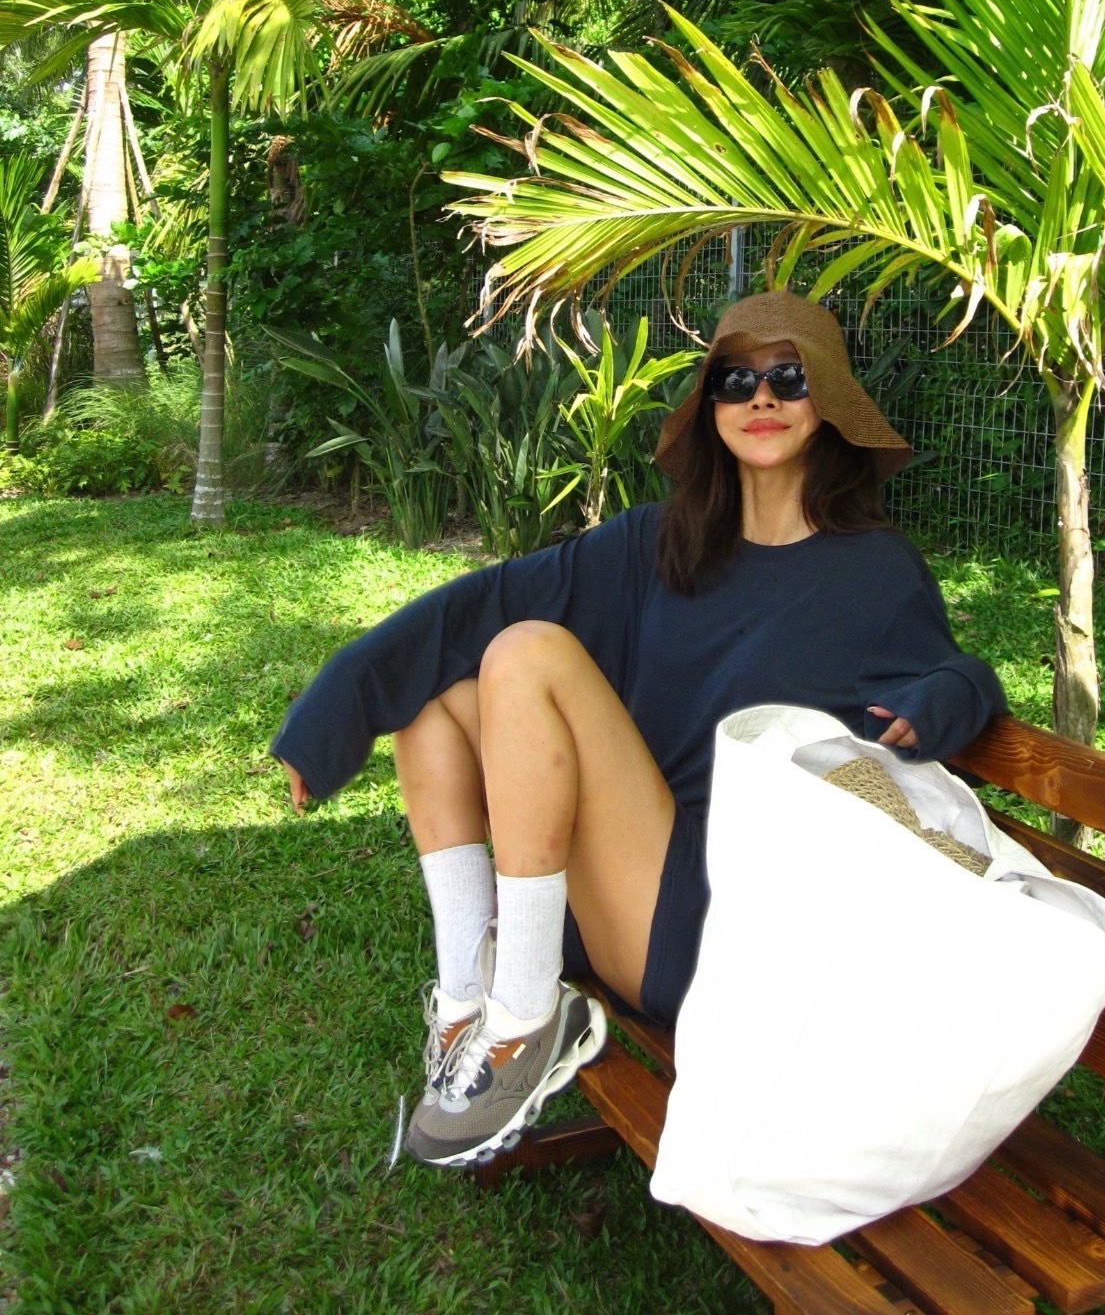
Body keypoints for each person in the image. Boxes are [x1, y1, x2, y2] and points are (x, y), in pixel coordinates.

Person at [270, 291, 1006, 1170]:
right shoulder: (661, 542)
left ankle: (527, 1019)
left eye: (788, 377)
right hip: (609, 896)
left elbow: (962, 677)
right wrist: (344, 696)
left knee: (527, 654)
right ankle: (471, 1004)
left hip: (717, 926)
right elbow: (486, 599)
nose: (761, 397)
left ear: (830, 402)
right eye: (736, 379)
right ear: (711, 405)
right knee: (435, 691)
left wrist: (942, 697)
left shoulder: (875, 572)